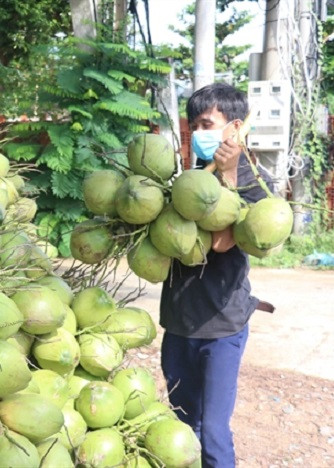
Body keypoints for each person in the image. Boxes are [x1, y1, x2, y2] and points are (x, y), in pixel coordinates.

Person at [160, 83, 273, 468]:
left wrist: (226, 173)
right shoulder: (186, 181)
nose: (198, 132)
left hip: (221, 326)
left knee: (212, 432)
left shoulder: (256, 185)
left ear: (235, 128)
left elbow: (223, 240)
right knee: (181, 424)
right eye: (194, 125)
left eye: (207, 123)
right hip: (178, 323)